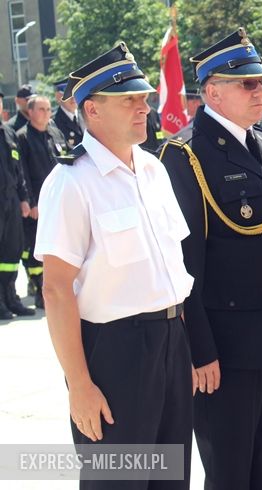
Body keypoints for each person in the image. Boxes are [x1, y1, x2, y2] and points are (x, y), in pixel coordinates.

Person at [160, 28, 262, 490]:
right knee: (231, 475)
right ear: (212, 91)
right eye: (247, 83)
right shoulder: (185, 155)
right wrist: (201, 350)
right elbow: (185, 265)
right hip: (229, 353)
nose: (260, 91)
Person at [35, 42, 194, 489]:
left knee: (170, 480)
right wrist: (79, 385)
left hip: (171, 342)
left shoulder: (153, 170)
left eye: (144, 98)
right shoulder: (70, 182)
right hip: (115, 355)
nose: (144, 107)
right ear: (93, 109)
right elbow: (56, 290)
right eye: (130, 100)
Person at [16, 95, 67, 309]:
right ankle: (39, 290)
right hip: (38, 203)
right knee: (39, 250)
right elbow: (22, 173)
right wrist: (30, 201)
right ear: (30, 112)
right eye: (42, 109)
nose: (47, 113)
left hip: (60, 200)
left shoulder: (55, 133)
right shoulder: (22, 137)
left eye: (48, 109)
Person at [0, 96, 33, 319]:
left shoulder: (8, 133)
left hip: (11, 200)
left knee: (12, 251)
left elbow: (18, 169)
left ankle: (11, 298)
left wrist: (23, 198)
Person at [53, 79, 83, 148]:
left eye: (76, 93)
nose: (73, 98)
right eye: (68, 94)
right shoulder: (54, 123)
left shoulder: (86, 116)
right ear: (58, 97)